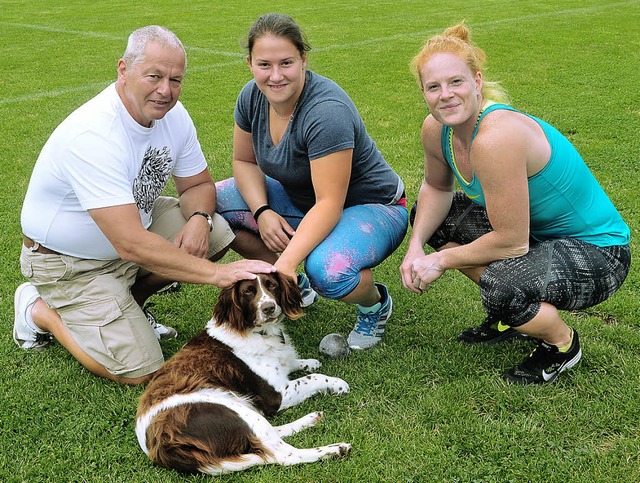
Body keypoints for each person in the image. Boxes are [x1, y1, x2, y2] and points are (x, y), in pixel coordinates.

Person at [14, 26, 274, 385]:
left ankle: (129, 302)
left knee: (215, 230)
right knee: (142, 371)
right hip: (71, 262)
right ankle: (38, 311)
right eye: (154, 76)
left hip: (130, 236)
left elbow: (198, 185)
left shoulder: (174, 115)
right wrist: (218, 274)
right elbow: (130, 243)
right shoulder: (94, 135)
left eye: (175, 79)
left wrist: (199, 218)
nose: (166, 90)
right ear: (124, 69)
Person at [400, 23, 631, 384]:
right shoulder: (436, 129)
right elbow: (435, 187)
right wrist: (415, 247)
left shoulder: (497, 137)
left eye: (456, 82)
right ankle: (515, 316)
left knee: (503, 285)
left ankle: (560, 344)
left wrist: (439, 260)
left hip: (600, 252)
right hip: (536, 236)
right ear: (424, 93)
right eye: (434, 87)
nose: (446, 95)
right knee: (438, 221)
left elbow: (511, 242)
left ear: (477, 81)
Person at [215, 13, 408, 350]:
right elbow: (244, 161)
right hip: (305, 202)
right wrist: (261, 211)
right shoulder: (251, 97)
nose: (275, 76)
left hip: (372, 207)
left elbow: (330, 203)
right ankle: (296, 288)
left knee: (328, 271)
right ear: (249, 63)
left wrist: (286, 263)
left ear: (303, 59)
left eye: (286, 62)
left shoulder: (325, 112)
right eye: (264, 64)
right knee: (221, 201)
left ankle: (375, 304)